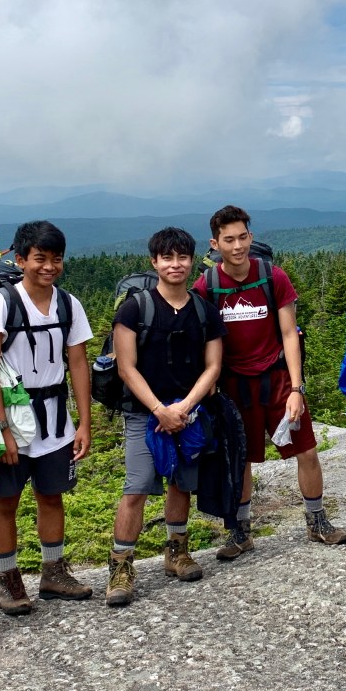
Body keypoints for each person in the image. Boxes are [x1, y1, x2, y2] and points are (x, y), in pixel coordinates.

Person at [194, 205, 346, 553]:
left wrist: (296, 388)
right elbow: (204, 339)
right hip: (234, 385)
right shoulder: (208, 285)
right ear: (215, 244)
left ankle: (317, 521)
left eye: (243, 237)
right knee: (241, 459)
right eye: (229, 240)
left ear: (251, 236)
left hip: (276, 379)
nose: (237, 246)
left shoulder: (272, 277)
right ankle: (241, 532)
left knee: (306, 450)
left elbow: (290, 334)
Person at [0, 220, 94, 615]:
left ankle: (53, 573)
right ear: (21, 259)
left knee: (51, 495)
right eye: (39, 258)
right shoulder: (2, 304)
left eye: (56, 259)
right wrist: (2, 430)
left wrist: (84, 423)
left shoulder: (68, 304)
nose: (49, 267)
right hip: (12, 415)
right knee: (5, 500)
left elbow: (78, 362)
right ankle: (8, 579)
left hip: (55, 419)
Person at [105, 227, 226, 606]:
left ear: (191, 261)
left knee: (181, 483)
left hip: (188, 413)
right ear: (154, 262)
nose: (176, 264)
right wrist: (160, 409)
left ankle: (176, 551)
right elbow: (126, 367)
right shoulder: (134, 309)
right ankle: (121, 566)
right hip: (144, 413)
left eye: (182, 257)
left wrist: (183, 408)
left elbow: (213, 366)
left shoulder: (204, 311)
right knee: (137, 486)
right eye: (167, 258)